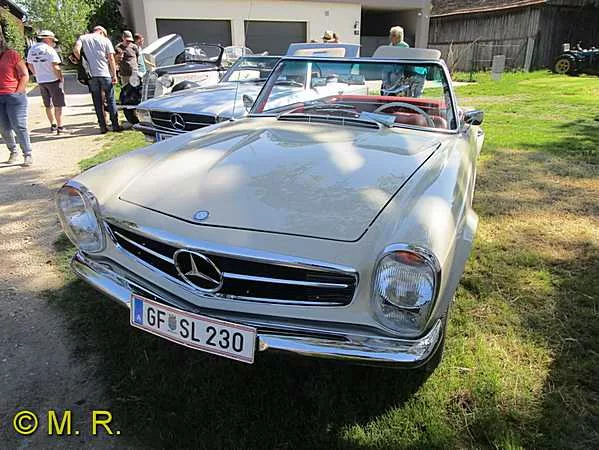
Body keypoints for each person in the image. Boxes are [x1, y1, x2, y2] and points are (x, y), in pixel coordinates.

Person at [73, 26, 121, 133]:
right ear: (102, 32)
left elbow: (76, 50)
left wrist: (83, 61)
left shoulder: (83, 38)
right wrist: (114, 75)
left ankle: (102, 127)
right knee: (111, 100)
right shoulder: (105, 40)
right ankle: (115, 125)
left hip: (91, 75)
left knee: (97, 102)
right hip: (105, 73)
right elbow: (111, 58)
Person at [0, 35, 33, 166]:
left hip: (13, 95)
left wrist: (18, 92)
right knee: (3, 128)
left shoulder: (12, 54)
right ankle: (13, 151)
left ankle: (27, 153)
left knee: (19, 126)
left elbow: (25, 74)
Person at [26, 30, 66, 135]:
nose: (53, 42)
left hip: (41, 81)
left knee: (48, 104)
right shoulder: (49, 50)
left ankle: (53, 125)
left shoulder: (32, 49)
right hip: (53, 79)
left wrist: (37, 74)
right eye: (52, 40)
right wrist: (60, 77)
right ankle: (60, 126)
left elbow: (30, 64)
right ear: (47, 39)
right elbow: (55, 66)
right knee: (58, 104)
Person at [388, 25, 427, 97]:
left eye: (393, 35)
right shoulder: (391, 46)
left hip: (417, 73)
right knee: (406, 94)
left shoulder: (403, 47)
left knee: (414, 95)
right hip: (407, 74)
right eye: (390, 35)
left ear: (398, 36)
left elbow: (400, 64)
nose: (390, 37)